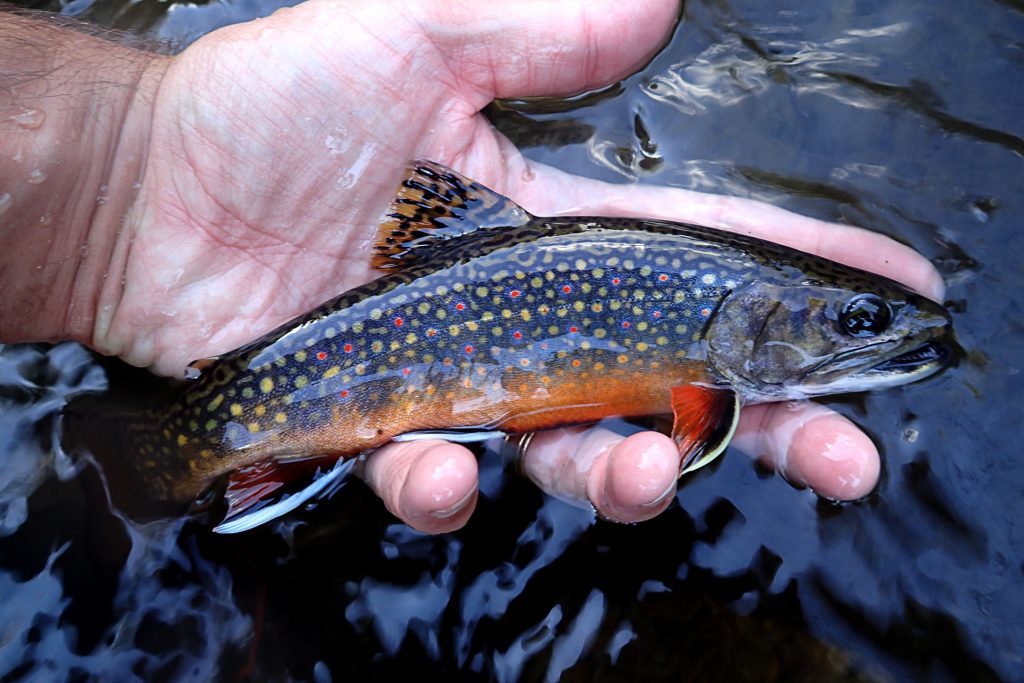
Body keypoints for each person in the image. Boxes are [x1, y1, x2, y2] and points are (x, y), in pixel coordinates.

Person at [0, 0, 943, 533]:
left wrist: (126, 160)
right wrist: (133, 155)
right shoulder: (705, 383)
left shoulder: (707, 374)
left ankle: (131, 473)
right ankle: (141, 467)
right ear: (751, 314)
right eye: (855, 320)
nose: (880, 332)